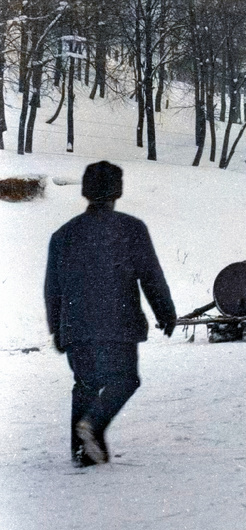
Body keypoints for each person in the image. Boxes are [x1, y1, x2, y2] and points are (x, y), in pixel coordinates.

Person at [44, 161, 176, 466]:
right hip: (119, 323)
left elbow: (53, 287)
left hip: (75, 325)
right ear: (117, 191)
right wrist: (166, 313)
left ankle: (83, 453)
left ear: (86, 192)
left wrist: (56, 328)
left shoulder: (63, 234)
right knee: (125, 379)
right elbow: (151, 276)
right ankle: (93, 425)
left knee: (85, 385)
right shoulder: (131, 229)